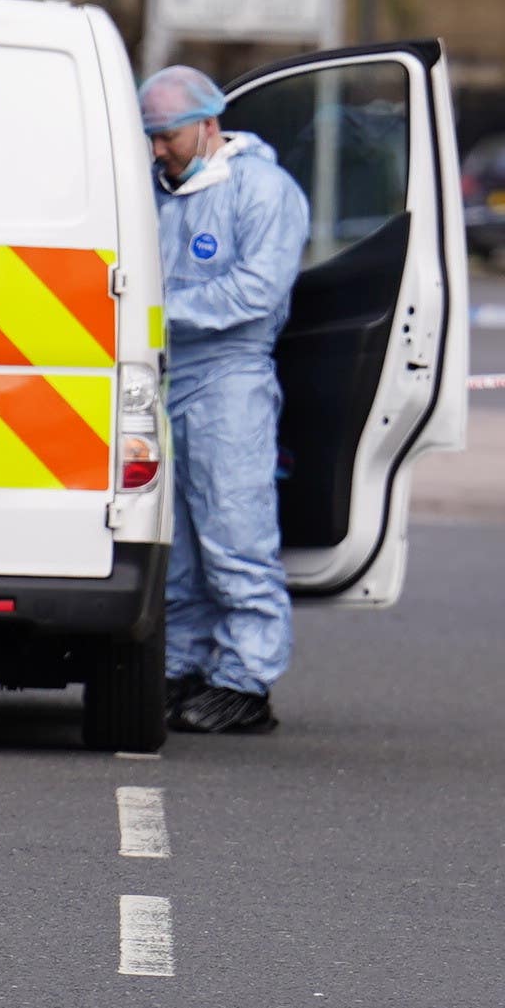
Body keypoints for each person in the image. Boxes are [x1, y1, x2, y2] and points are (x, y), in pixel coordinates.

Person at [141, 63, 310, 735]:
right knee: (175, 539)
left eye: (168, 134)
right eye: (149, 135)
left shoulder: (263, 191)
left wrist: (151, 313)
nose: (158, 149)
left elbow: (253, 293)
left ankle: (245, 680)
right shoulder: (156, 191)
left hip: (228, 380)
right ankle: (183, 666)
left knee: (234, 533)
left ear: (209, 125)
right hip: (161, 376)